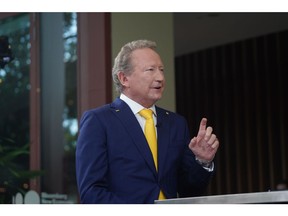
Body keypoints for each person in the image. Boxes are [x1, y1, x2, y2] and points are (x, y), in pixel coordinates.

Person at [75, 39, 220, 204]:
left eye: (161, 70)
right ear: (124, 78)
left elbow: (188, 190)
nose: (160, 77)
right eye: (150, 70)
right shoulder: (99, 121)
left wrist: (202, 161)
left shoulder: (176, 123)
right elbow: (91, 192)